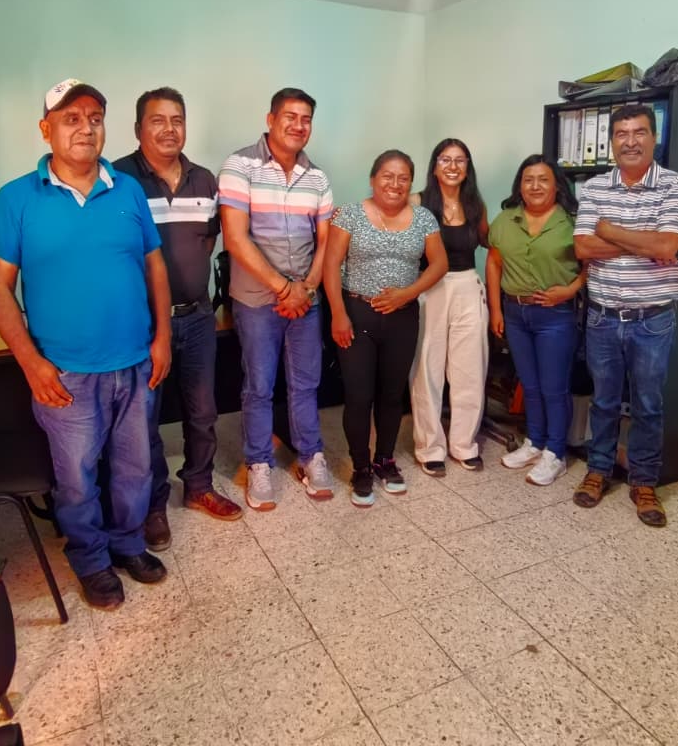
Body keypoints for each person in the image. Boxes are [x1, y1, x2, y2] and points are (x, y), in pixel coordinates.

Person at [0, 78, 172, 611]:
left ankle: (128, 544)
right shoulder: (16, 198)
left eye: (94, 118)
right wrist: (31, 363)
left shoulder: (128, 190)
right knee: (76, 480)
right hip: (65, 373)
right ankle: (90, 560)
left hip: (135, 364)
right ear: (46, 129)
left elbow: (155, 266)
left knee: (135, 469)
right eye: (71, 118)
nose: (85, 128)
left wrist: (162, 337)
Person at [113, 87, 243, 551]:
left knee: (203, 410)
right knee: (144, 420)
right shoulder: (118, 180)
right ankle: (152, 505)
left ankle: (199, 486)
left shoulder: (204, 179)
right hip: (143, 324)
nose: (169, 129)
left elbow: (208, 241)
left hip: (198, 317)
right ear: (138, 129)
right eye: (158, 120)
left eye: (177, 120)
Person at [572, 102, 678, 527]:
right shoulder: (594, 188)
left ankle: (644, 481)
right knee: (604, 401)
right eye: (621, 134)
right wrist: (644, 241)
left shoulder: (676, 185)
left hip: (653, 319)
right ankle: (598, 470)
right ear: (611, 141)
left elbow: (667, 246)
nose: (630, 142)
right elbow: (583, 248)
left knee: (648, 404)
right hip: (603, 315)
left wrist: (608, 231)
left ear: (654, 137)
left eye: (639, 132)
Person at [219, 88, 335, 510]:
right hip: (256, 300)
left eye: (306, 118)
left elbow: (325, 242)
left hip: (306, 300)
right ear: (270, 119)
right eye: (290, 116)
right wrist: (285, 289)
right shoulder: (239, 165)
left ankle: (310, 455)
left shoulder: (318, 178)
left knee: (306, 384)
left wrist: (307, 288)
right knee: (259, 387)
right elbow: (235, 238)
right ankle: (259, 462)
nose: (298, 125)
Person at [323, 150, 448, 507]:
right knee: (359, 396)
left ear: (411, 183)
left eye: (403, 178)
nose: (395, 184)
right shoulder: (350, 215)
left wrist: (408, 293)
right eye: (387, 176)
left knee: (392, 395)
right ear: (373, 179)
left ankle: (385, 460)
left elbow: (439, 263)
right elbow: (331, 266)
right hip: (357, 315)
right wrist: (338, 314)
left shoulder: (423, 218)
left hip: (403, 317)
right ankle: (361, 466)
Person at [487, 155, 585, 487]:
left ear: (557, 185)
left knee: (554, 387)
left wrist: (570, 289)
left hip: (555, 315)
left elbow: (592, 264)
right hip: (515, 314)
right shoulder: (506, 220)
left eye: (543, 179)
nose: (535, 186)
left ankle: (555, 453)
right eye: (528, 179)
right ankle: (535, 442)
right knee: (529, 384)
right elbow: (494, 263)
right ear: (520, 185)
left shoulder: (572, 221)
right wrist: (496, 310)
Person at [409, 138, 490, 475]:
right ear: (434, 166)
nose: (453, 166)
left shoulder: (475, 206)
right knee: (426, 369)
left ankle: (463, 444)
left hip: (467, 286)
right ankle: (429, 447)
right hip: (429, 288)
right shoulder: (417, 202)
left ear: (467, 167)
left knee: (469, 369)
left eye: (460, 160)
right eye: (445, 159)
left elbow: (491, 244)